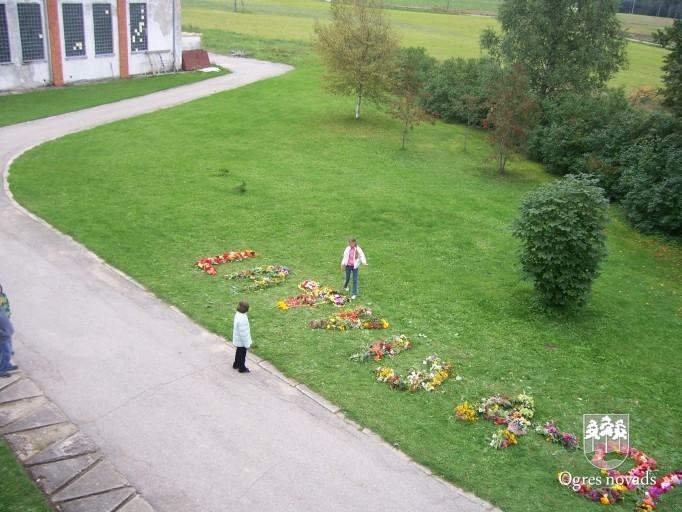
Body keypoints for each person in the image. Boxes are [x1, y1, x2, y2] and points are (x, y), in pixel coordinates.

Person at [232, 300, 253, 374]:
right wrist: (246, 344)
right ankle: (242, 368)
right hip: (242, 341)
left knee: (238, 352)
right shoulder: (243, 319)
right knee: (242, 354)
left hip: (238, 339)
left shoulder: (238, 314)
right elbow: (243, 333)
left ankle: (236, 364)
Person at [0, 299, 14, 378]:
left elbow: (6, 317)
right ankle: (2, 371)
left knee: (6, 352)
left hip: (8, 335)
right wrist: (3, 334)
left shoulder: (0, 307)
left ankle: (7, 365)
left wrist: (10, 327)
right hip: (3, 338)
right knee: (6, 354)